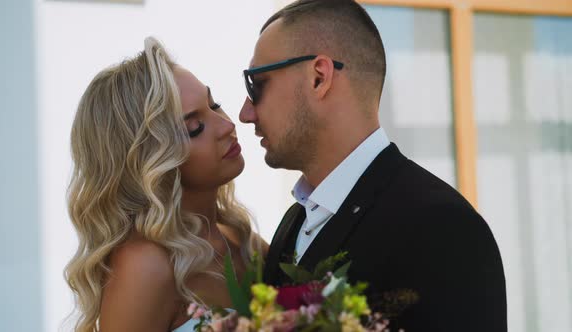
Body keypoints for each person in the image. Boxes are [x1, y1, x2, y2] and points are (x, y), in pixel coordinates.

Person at [239, 0, 507, 330]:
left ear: (319, 78)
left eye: (256, 84)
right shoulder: (293, 224)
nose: (245, 113)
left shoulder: (442, 227)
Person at [65, 37, 267, 332]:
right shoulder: (145, 265)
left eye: (215, 105)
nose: (227, 125)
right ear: (146, 159)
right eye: (193, 127)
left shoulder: (242, 240)